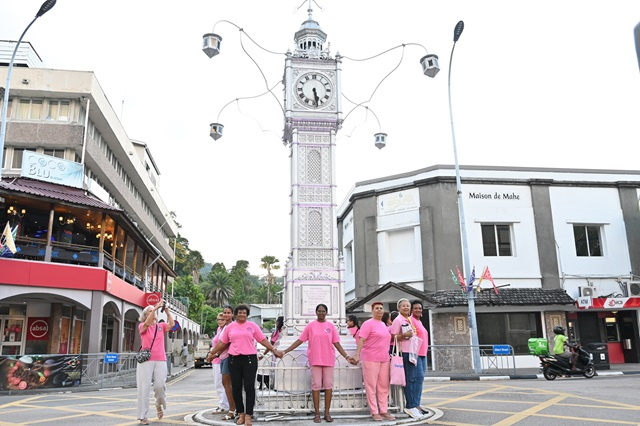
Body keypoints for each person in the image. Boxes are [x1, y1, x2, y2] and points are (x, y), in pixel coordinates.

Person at [210, 304, 283, 426]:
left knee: (249, 387)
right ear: (236, 314)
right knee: (236, 387)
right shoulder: (230, 327)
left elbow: (262, 340)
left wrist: (274, 350)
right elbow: (222, 343)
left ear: (247, 314)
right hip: (234, 359)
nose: (242, 315)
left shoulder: (252, 326)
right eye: (239, 313)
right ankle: (241, 414)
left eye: (244, 313)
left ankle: (249, 415)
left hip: (249, 359)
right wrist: (212, 353)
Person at [282, 304, 353, 424]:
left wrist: (346, 356)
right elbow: (300, 340)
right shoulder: (310, 326)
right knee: (316, 385)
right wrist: (285, 351)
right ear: (316, 312)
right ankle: (317, 414)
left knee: (328, 385)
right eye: (319, 311)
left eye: (323, 311)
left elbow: (337, 343)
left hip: (328, 359)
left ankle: (327, 413)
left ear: (326, 313)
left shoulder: (330, 326)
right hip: (315, 359)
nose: (321, 313)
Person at [353, 302, 395, 421]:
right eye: (376, 308)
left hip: (384, 359)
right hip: (370, 358)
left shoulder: (383, 324)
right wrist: (357, 355)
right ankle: (374, 411)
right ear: (372, 310)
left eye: (381, 308)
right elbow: (361, 340)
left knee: (383, 386)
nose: (379, 310)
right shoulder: (368, 324)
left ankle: (383, 410)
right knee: (371, 386)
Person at [136, 301, 175, 425]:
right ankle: (143, 416)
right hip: (146, 359)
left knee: (160, 386)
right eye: (150, 311)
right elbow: (147, 323)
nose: (153, 312)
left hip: (160, 359)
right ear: (146, 315)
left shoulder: (160, 326)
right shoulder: (142, 326)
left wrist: (168, 312)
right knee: (144, 387)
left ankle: (158, 404)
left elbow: (172, 325)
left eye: (154, 311)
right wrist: (156, 307)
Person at [389, 298, 424, 420]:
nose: (406, 308)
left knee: (416, 379)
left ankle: (414, 405)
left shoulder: (408, 320)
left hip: (413, 352)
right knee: (410, 380)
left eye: (407, 306)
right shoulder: (398, 320)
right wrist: (404, 335)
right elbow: (392, 338)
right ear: (399, 308)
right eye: (403, 306)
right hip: (405, 352)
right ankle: (410, 405)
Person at [207, 305, 236, 420]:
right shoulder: (223, 328)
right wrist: (213, 354)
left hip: (229, 357)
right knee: (225, 384)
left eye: (228, 313)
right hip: (222, 357)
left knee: (229, 384)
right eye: (224, 313)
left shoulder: (231, 326)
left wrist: (214, 354)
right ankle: (231, 409)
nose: (226, 315)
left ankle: (232, 409)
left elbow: (226, 343)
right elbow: (221, 343)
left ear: (232, 314)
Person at [411, 300, 430, 415]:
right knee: (417, 379)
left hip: (423, 354)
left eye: (420, 308)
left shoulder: (419, 321)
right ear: (412, 310)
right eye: (415, 308)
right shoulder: (411, 321)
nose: (418, 310)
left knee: (420, 380)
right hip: (416, 355)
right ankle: (414, 404)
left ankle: (417, 403)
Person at [208, 313, 229, 414]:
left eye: (222, 319)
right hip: (216, 359)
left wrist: (213, 353)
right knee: (219, 384)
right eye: (218, 319)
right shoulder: (219, 329)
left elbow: (223, 344)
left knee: (220, 383)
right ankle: (223, 404)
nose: (220, 321)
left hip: (220, 358)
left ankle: (224, 405)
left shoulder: (225, 329)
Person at [258, 315, 284, 389]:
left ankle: (270, 384)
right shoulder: (280, 332)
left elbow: (271, 344)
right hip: (280, 352)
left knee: (271, 369)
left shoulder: (277, 332)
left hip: (275, 353)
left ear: (278, 323)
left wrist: (263, 354)